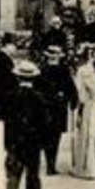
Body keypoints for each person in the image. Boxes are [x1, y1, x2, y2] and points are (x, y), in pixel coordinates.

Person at [4, 60, 48, 189]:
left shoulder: (9, 96)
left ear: (17, 77)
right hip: (32, 142)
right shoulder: (38, 98)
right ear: (33, 79)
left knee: (13, 176)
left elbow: (4, 118)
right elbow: (44, 122)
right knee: (33, 175)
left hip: (14, 141)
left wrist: (7, 141)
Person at [37, 45, 79, 174]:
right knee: (54, 138)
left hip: (46, 109)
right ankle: (51, 164)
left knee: (46, 136)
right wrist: (72, 101)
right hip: (56, 108)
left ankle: (49, 163)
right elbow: (72, 90)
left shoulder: (42, 70)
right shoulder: (62, 71)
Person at [70, 46, 95, 179]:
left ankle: (87, 167)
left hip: (91, 106)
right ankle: (94, 168)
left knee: (88, 135)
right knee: (93, 134)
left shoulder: (86, 72)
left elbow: (80, 94)